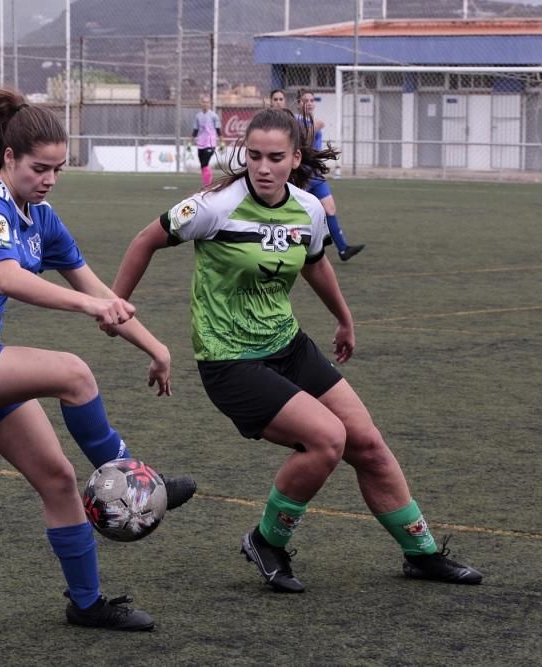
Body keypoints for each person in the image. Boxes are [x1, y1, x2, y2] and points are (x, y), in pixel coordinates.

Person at [111, 107, 482, 594]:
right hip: (231, 360)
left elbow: (315, 264)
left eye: (275, 158)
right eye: (254, 156)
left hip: (289, 346)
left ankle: (422, 553)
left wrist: (343, 318)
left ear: (295, 158)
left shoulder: (306, 208)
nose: (263, 168)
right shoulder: (212, 206)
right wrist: (117, 304)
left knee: (367, 443)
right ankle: (267, 542)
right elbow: (145, 240)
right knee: (328, 440)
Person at [0, 87, 196, 631]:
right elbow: (10, 281)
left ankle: (87, 605)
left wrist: (155, 346)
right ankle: (138, 478)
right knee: (72, 372)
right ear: (8, 158)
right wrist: (90, 306)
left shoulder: (42, 215)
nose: (49, 178)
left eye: (59, 168)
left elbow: (95, 285)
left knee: (57, 478)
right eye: (39, 168)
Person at [296, 89, 364, 261]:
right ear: (299, 104)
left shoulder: (313, 121)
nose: (309, 103)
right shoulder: (296, 121)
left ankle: (343, 249)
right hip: (301, 174)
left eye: (312, 100)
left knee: (330, 209)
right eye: (305, 100)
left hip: (315, 175)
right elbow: (303, 141)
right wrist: (315, 127)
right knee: (297, 213)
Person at [190, 94, 222, 187]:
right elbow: (195, 130)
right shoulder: (198, 116)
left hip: (210, 143)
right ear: (201, 103)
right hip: (200, 143)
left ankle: (207, 185)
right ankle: (206, 183)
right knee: (203, 165)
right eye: (203, 102)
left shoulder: (214, 116)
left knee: (205, 162)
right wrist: (190, 141)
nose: (205, 104)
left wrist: (222, 142)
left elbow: (218, 129)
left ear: (210, 104)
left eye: (207, 102)